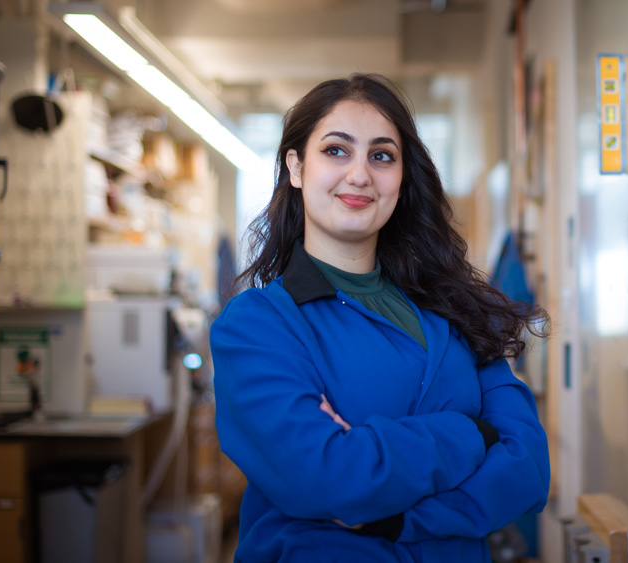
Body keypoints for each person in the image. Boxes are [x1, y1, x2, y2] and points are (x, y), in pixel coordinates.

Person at [210, 73, 551, 563]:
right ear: (296, 167)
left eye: (382, 155)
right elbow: (328, 478)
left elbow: (529, 471)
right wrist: (471, 433)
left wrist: (397, 516)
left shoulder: (452, 310)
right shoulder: (259, 325)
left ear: (402, 177)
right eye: (335, 150)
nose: (360, 174)